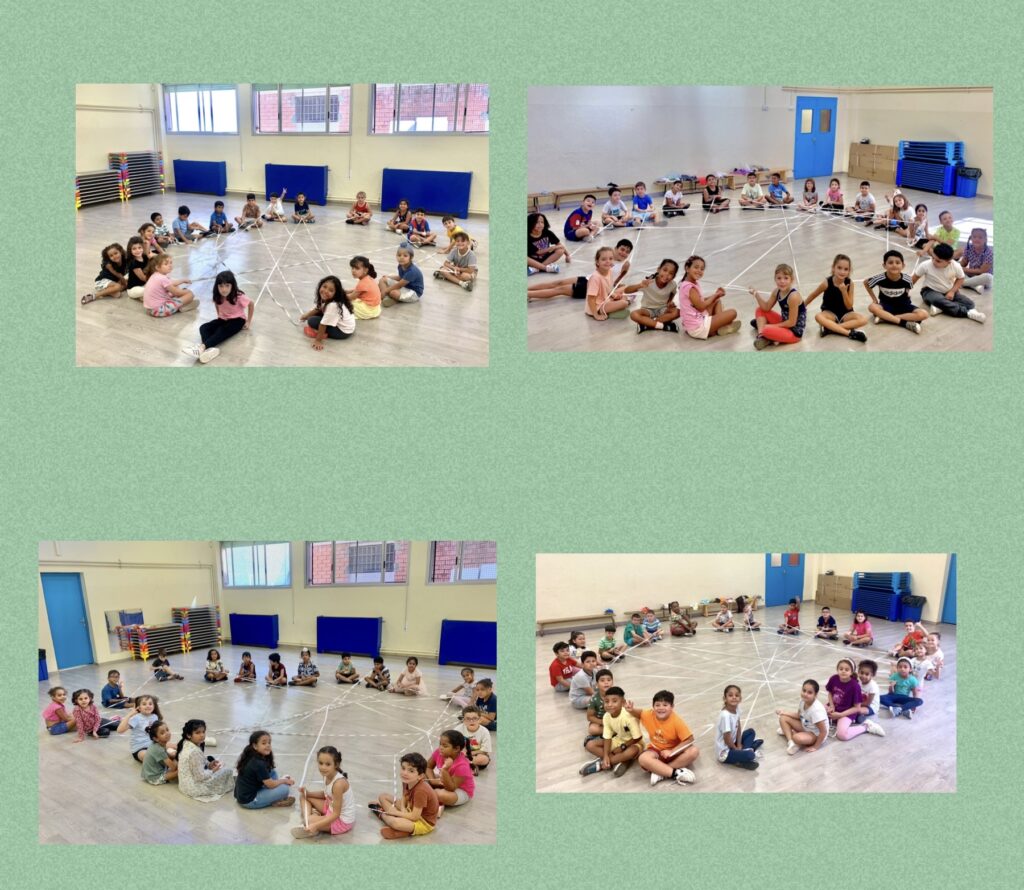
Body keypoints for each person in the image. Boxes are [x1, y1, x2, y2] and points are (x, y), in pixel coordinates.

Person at [629, 690, 700, 786]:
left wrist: (672, 751)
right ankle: (674, 773)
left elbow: (690, 739)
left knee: (694, 751)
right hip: (656, 749)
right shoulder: (649, 714)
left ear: (672, 707)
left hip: (674, 753)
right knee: (643, 758)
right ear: (653, 706)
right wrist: (631, 710)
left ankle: (661, 772)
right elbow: (640, 713)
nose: (661, 708)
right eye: (657, 705)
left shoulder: (676, 721)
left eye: (665, 705)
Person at [183, 270, 253, 364]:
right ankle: (209, 350)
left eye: (227, 286)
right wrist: (219, 315)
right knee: (203, 327)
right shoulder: (218, 296)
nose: (224, 289)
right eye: (221, 286)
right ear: (217, 286)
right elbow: (217, 304)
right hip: (223, 319)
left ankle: (202, 347)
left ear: (232, 285)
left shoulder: (239, 296)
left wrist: (248, 321)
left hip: (238, 320)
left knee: (221, 330)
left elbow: (251, 304)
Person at [914, 242, 985, 323]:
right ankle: (967, 313)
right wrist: (906, 291)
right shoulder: (925, 265)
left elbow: (961, 278)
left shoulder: (956, 266)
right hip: (929, 291)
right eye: (933, 258)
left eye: (938, 261)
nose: (933, 261)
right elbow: (914, 278)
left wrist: (952, 291)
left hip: (948, 291)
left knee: (970, 304)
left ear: (949, 262)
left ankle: (941, 308)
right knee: (938, 300)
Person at [372, 752, 438, 839]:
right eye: (403, 768)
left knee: (395, 823)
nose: (405, 773)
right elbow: (404, 796)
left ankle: (382, 814)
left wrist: (397, 813)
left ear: (420, 776)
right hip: (410, 808)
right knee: (383, 796)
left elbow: (415, 817)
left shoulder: (421, 791)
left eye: (411, 771)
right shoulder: (407, 780)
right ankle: (402, 827)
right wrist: (403, 809)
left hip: (423, 822)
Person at [580, 685, 642, 778]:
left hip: (633, 743)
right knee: (590, 745)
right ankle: (622, 761)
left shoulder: (628, 716)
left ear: (623, 702)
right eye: (606, 701)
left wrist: (622, 747)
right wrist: (605, 755)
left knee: (633, 751)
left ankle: (601, 765)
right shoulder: (606, 716)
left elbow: (638, 737)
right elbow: (607, 737)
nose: (609, 704)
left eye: (614, 701)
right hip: (618, 739)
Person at [804, 253, 868, 341]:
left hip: (846, 314)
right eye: (839, 268)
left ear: (849, 271)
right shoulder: (827, 282)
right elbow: (813, 295)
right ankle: (849, 333)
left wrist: (844, 292)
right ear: (833, 268)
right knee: (818, 316)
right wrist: (802, 307)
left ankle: (831, 328)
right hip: (830, 313)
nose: (842, 272)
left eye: (846, 269)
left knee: (864, 319)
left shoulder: (850, 283)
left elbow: (849, 306)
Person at [293, 747, 354, 837]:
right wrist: (308, 793)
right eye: (321, 763)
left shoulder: (338, 784)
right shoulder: (326, 775)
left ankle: (311, 823)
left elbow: (336, 814)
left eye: (328, 764)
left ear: (336, 764)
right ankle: (309, 821)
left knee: (310, 821)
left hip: (341, 820)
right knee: (303, 795)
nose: (323, 767)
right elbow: (326, 794)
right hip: (330, 807)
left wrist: (316, 825)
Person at [678, 254, 742, 340]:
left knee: (717, 301)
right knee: (733, 313)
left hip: (694, 322)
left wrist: (716, 296)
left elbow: (700, 301)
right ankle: (721, 327)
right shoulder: (689, 287)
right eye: (696, 267)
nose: (699, 271)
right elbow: (701, 307)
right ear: (687, 268)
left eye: (702, 269)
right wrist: (715, 295)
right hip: (697, 327)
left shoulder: (689, 283)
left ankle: (718, 327)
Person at [863, 249, 927, 333]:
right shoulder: (880, 278)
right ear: (884, 265)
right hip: (885, 306)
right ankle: (904, 323)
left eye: (897, 263)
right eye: (890, 263)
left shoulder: (907, 279)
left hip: (903, 306)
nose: (894, 265)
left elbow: (908, 289)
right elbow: (866, 283)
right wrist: (874, 299)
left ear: (903, 265)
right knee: (872, 307)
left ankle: (886, 318)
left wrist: (907, 295)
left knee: (924, 314)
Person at [826, 658, 884, 741]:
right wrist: (831, 706)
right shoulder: (834, 678)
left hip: (847, 711)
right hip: (835, 707)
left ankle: (866, 726)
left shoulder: (855, 686)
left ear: (852, 672)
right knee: (817, 711)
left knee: (842, 735)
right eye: (841, 669)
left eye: (847, 669)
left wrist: (840, 715)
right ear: (837, 669)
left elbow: (857, 707)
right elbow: (830, 693)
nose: (843, 671)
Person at [176, 719, 235, 801]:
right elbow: (200, 777)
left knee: (221, 769)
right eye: (197, 733)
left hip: (183, 785)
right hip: (193, 788)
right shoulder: (194, 752)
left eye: (203, 732)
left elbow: (197, 762)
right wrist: (213, 770)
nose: (202, 735)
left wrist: (209, 764)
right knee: (228, 771)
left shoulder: (185, 743)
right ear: (189, 735)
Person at [234, 730, 296, 809]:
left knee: (272, 772)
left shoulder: (252, 756)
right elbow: (271, 785)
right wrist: (284, 781)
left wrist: (279, 781)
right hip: (249, 801)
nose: (268, 745)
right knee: (285, 789)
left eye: (269, 743)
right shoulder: (258, 763)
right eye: (264, 743)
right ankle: (276, 800)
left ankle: (272, 794)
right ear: (255, 746)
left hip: (242, 795)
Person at [751, 263, 804, 350]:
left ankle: (766, 333)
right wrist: (756, 294)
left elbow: (792, 323)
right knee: (760, 310)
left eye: (786, 278)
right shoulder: (777, 291)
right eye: (779, 278)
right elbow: (766, 307)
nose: (782, 281)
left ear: (792, 280)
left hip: (794, 332)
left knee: (766, 328)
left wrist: (773, 326)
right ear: (775, 279)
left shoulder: (793, 296)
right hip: (785, 322)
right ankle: (762, 337)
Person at [301, 274, 355, 349]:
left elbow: (323, 324)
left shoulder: (333, 305)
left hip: (343, 332)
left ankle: (321, 334)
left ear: (336, 294)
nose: (326, 291)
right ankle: (321, 331)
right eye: (324, 286)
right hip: (347, 326)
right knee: (314, 315)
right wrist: (306, 316)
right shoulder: (328, 298)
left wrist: (318, 341)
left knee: (312, 321)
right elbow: (318, 308)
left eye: (331, 290)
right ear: (320, 285)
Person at [716, 685, 763, 769]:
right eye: (730, 695)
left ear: (740, 698)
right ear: (725, 698)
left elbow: (738, 727)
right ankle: (748, 752)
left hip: (733, 743)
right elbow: (727, 739)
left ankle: (744, 752)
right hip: (725, 752)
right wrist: (736, 748)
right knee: (750, 755)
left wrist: (738, 743)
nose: (734, 697)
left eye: (737, 695)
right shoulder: (725, 716)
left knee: (751, 732)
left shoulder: (736, 709)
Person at [776, 680, 827, 754]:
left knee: (796, 738)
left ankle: (790, 733)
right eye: (804, 690)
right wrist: (784, 712)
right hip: (806, 726)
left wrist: (815, 747)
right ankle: (791, 742)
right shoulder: (803, 701)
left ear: (815, 695)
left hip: (815, 734)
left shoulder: (816, 711)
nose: (805, 694)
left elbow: (823, 732)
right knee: (783, 718)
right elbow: (799, 716)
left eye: (810, 692)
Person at [426, 729, 475, 808]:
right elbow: (428, 767)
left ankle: (430, 798)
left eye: (445, 746)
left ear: (456, 749)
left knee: (439, 794)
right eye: (440, 744)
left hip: (460, 790)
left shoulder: (462, 766)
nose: (441, 748)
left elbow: (451, 788)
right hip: (444, 781)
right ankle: (429, 796)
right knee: (419, 775)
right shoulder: (439, 752)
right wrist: (433, 781)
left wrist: (445, 770)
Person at [116, 694, 162, 762]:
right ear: (139, 708)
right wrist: (130, 714)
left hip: (153, 746)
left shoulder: (155, 717)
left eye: (150, 704)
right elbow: (119, 730)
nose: (148, 706)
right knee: (150, 757)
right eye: (144, 704)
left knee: (172, 747)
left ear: (154, 706)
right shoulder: (136, 718)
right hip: (140, 749)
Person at [954, 227, 993, 293]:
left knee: (989, 277)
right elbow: (964, 263)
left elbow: (982, 271)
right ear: (971, 238)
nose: (977, 239)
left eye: (980, 237)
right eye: (974, 237)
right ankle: (976, 286)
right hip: (971, 275)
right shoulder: (968, 248)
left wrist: (964, 269)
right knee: (955, 269)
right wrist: (956, 266)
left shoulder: (989, 252)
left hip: (982, 277)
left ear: (985, 240)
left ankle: (962, 283)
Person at [455, 705, 492, 772]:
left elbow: (485, 750)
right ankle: (470, 766)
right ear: (463, 720)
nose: (471, 721)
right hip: (461, 754)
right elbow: (453, 745)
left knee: (484, 759)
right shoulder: (458, 729)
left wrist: (469, 753)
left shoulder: (485, 731)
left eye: (474, 718)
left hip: (476, 754)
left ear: (479, 720)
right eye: (468, 719)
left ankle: (463, 765)